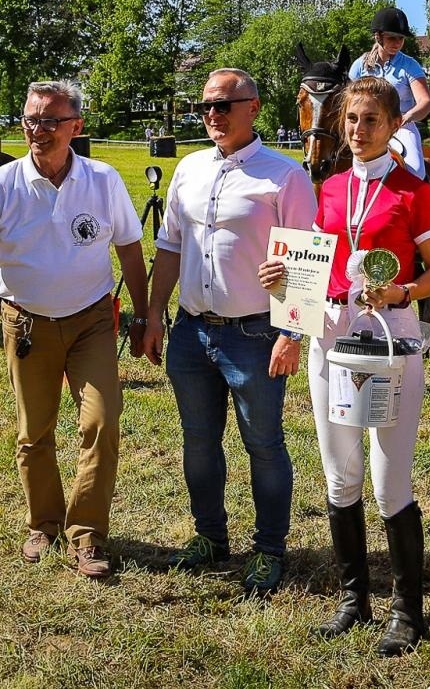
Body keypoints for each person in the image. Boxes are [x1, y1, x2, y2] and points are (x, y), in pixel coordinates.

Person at [0, 80, 149, 581]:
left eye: (49, 121)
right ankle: (44, 524)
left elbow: (130, 248)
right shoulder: (0, 186)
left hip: (91, 321)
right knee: (34, 431)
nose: (37, 130)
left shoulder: (103, 179)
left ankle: (87, 534)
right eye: (30, 120)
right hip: (26, 323)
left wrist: (144, 316)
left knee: (101, 422)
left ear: (76, 126)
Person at [260, 76, 430, 656]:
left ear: (394, 125)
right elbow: (312, 270)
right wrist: (287, 304)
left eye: (371, 120)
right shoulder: (333, 187)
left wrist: (401, 293)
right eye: (350, 120)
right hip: (333, 336)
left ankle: (407, 612)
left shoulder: (415, 191)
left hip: (391, 335)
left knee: (390, 480)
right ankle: (353, 599)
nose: (358, 131)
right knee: (340, 474)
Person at [143, 68, 318, 598]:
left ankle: (269, 549)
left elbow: (306, 261)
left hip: (256, 336)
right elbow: (170, 247)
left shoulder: (285, 176)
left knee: (263, 444)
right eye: (205, 108)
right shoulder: (189, 170)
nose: (213, 116)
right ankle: (210, 537)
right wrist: (152, 314)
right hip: (192, 333)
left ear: (254, 108)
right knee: (198, 441)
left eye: (224, 105)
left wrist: (293, 334)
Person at [349, 6, 430, 180]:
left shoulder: (410, 66)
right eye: (391, 38)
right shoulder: (359, 67)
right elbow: (349, 102)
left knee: (416, 171)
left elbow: (425, 102)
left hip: (400, 126)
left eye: (400, 38)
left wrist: (407, 117)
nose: (397, 43)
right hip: (366, 126)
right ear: (378, 36)